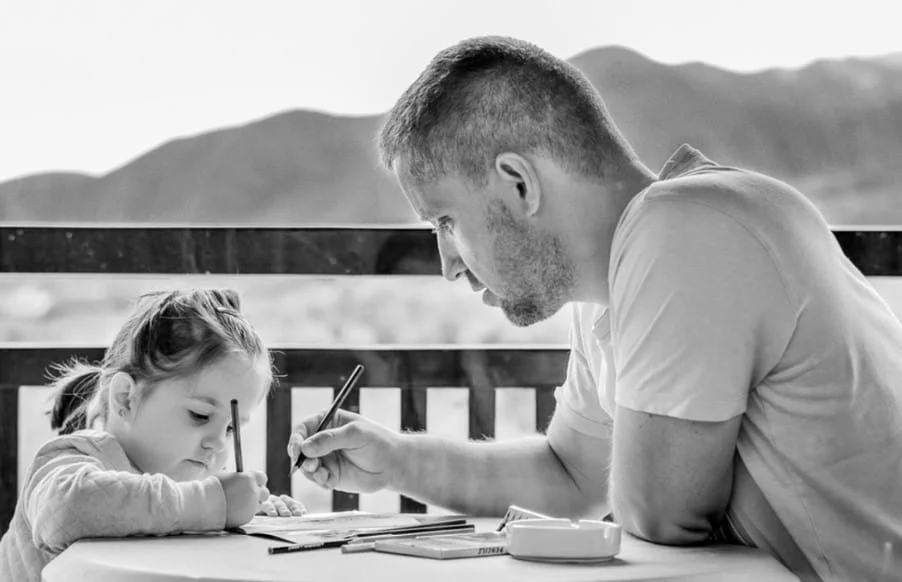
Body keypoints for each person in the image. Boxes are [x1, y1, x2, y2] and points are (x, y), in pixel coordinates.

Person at [287, 36, 902, 581]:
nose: (448, 263)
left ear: (518, 183)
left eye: (446, 221)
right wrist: (394, 459)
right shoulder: (622, 273)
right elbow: (570, 476)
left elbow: (659, 519)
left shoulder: (683, 230)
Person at [0, 289, 305, 582]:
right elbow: (65, 511)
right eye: (200, 415)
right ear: (125, 399)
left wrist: (247, 510)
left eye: (230, 429)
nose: (218, 443)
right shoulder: (70, 461)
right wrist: (213, 503)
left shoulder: (185, 484)